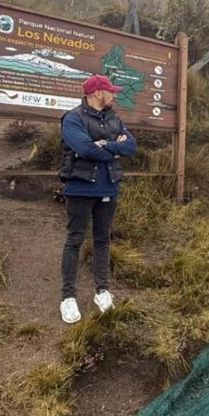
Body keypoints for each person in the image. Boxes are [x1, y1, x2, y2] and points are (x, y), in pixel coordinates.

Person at [57, 74, 137, 324]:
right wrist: (112, 147)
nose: (114, 94)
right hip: (80, 188)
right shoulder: (73, 118)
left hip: (108, 188)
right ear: (98, 93)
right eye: (111, 91)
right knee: (74, 241)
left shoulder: (113, 117)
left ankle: (102, 292)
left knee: (103, 240)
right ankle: (68, 296)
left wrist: (106, 145)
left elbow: (131, 147)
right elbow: (84, 148)